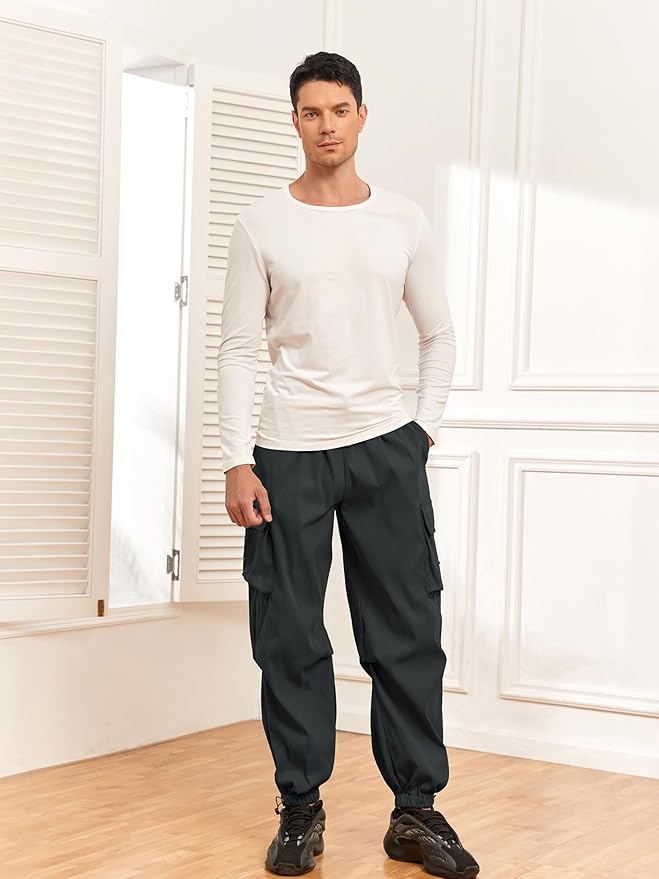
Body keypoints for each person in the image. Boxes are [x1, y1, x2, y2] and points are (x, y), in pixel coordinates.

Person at [217, 50, 480, 879]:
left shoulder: (401, 219)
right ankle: (300, 807)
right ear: (293, 121)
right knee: (289, 636)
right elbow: (236, 346)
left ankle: (415, 811)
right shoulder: (260, 223)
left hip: (384, 449)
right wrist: (234, 458)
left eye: (339, 109)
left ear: (361, 116)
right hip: (286, 454)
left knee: (406, 633)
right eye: (310, 112)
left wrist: (420, 430)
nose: (325, 125)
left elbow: (437, 333)